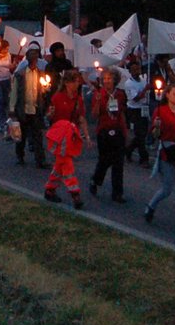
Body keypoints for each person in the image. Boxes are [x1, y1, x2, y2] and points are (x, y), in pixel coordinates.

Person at [144, 83, 175, 232]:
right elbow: (154, 135)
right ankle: (151, 206)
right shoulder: (161, 111)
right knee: (167, 189)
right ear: (167, 95)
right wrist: (157, 128)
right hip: (168, 152)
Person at [43, 69, 87, 208]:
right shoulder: (57, 98)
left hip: (70, 136)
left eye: (78, 81)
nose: (78, 84)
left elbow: (81, 118)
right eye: (75, 81)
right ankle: (75, 194)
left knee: (60, 164)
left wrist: (87, 135)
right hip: (59, 135)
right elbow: (49, 116)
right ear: (67, 83)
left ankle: (50, 189)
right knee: (67, 165)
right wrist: (49, 114)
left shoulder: (78, 99)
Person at [89, 68, 129, 202]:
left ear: (115, 80)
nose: (107, 81)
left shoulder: (120, 94)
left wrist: (125, 131)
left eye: (109, 79)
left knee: (118, 162)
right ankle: (96, 179)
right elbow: (94, 115)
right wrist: (99, 101)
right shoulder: (99, 93)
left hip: (117, 130)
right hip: (104, 131)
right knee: (105, 160)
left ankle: (117, 193)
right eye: (104, 79)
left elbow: (122, 113)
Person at [10, 42, 51, 170]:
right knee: (20, 135)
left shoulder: (40, 74)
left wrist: (45, 88)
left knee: (37, 135)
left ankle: (40, 160)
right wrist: (12, 109)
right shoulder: (20, 74)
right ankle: (19, 156)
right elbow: (14, 92)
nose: (35, 62)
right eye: (33, 60)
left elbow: (43, 90)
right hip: (23, 109)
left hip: (35, 108)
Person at [120, 60, 151, 167]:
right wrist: (145, 90)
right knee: (140, 134)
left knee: (143, 133)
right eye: (134, 70)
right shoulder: (129, 84)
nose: (136, 71)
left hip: (143, 109)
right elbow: (135, 99)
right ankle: (144, 158)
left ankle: (128, 150)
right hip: (134, 110)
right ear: (130, 71)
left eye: (138, 69)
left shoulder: (143, 79)